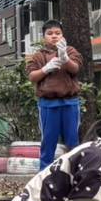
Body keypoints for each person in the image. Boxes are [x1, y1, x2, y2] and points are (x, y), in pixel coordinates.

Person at [25, 20, 83, 170]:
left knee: (73, 141)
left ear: (63, 35)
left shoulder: (70, 51)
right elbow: (32, 76)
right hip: (48, 104)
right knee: (48, 142)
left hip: (70, 102)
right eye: (50, 33)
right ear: (44, 37)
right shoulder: (38, 56)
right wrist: (46, 69)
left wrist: (65, 58)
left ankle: (74, 173)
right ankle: (44, 175)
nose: (54, 36)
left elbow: (75, 69)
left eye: (58, 33)